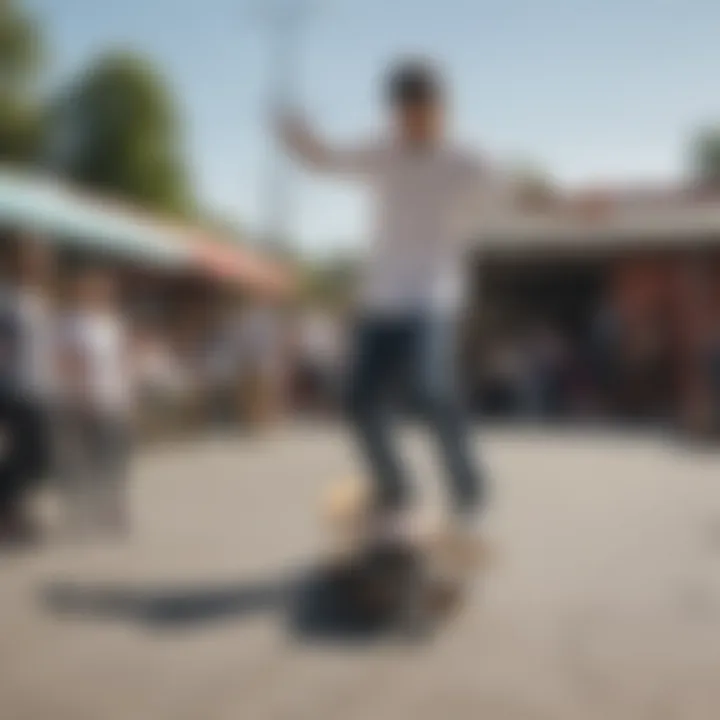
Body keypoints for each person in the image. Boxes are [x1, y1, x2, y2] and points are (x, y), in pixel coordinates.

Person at [278, 59, 515, 536]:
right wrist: (299, 139)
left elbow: (520, 196)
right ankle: (396, 486)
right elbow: (327, 160)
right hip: (380, 299)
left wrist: (574, 210)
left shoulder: (468, 160)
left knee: (429, 391)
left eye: (425, 115)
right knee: (358, 402)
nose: (416, 126)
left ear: (442, 109)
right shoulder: (381, 150)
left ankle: (468, 486)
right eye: (407, 116)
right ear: (395, 114)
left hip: (433, 298)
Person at [56, 269, 133, 536]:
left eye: (102, 290)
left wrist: (127, 389)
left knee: (115, 454)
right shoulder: (71, 324)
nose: (98, 295)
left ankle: (112, 507)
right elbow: (67, 362)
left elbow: (123, 358)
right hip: (85, 399)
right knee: (89, 456)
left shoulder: (112, 323)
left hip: (114, 396)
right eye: (92, 290)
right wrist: (79, 395)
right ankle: (86, 510)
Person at [0, 235, 56, 543]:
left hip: (37, 387)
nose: (38, 265)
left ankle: (13, 511)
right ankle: (9, 512)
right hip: (15, 389)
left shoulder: (35, 299)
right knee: (31, 456)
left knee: (38, 457)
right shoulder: (7, 300)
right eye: (32, 259)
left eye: (41, 260)